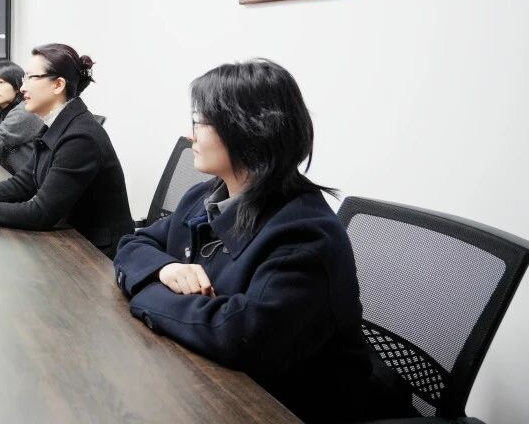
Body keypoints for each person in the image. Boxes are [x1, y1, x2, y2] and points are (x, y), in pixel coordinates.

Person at [112, 60, 412, 423]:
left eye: (199, 122)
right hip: (211, 381)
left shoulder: (305, 236)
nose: (190, 136)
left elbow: (240, 335)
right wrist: (166, 269)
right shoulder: (204, 196)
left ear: (247, 130)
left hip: (292, 407)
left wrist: (146, 291)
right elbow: (133, 244)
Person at [0, 43, 133, 256]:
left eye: (31, 78)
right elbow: (24, 183)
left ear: (58, 85)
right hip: (69, 238)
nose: (23, 88)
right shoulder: (55, 124)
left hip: (96, 254)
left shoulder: (80, 137)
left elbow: (41, 213)